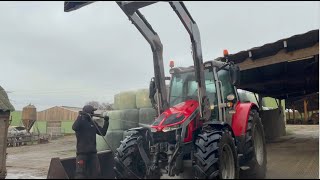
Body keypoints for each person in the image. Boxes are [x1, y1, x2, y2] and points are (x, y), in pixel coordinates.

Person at [72, 105, 109, 179]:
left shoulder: (93, 123)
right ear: (89, 112)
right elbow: (74, 127)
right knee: (80, 175)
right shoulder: (80, 122)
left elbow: (103, 132)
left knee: (96, 174)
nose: (93, 113)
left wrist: (106, 122)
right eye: (92, 111)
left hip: (93, 154)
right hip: (82, 154)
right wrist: (80, 115)